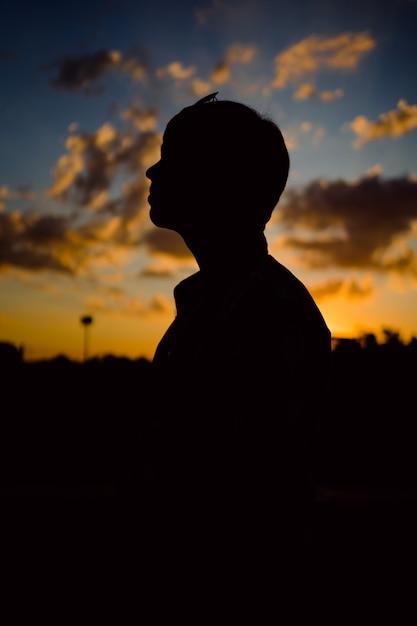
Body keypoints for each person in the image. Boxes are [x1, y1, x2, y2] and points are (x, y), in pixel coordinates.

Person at [142, 93, 331, 613]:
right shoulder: (215, 300)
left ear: (216, 180)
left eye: (171, 157)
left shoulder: (266, 310)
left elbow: (261, 497)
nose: (151, 171)